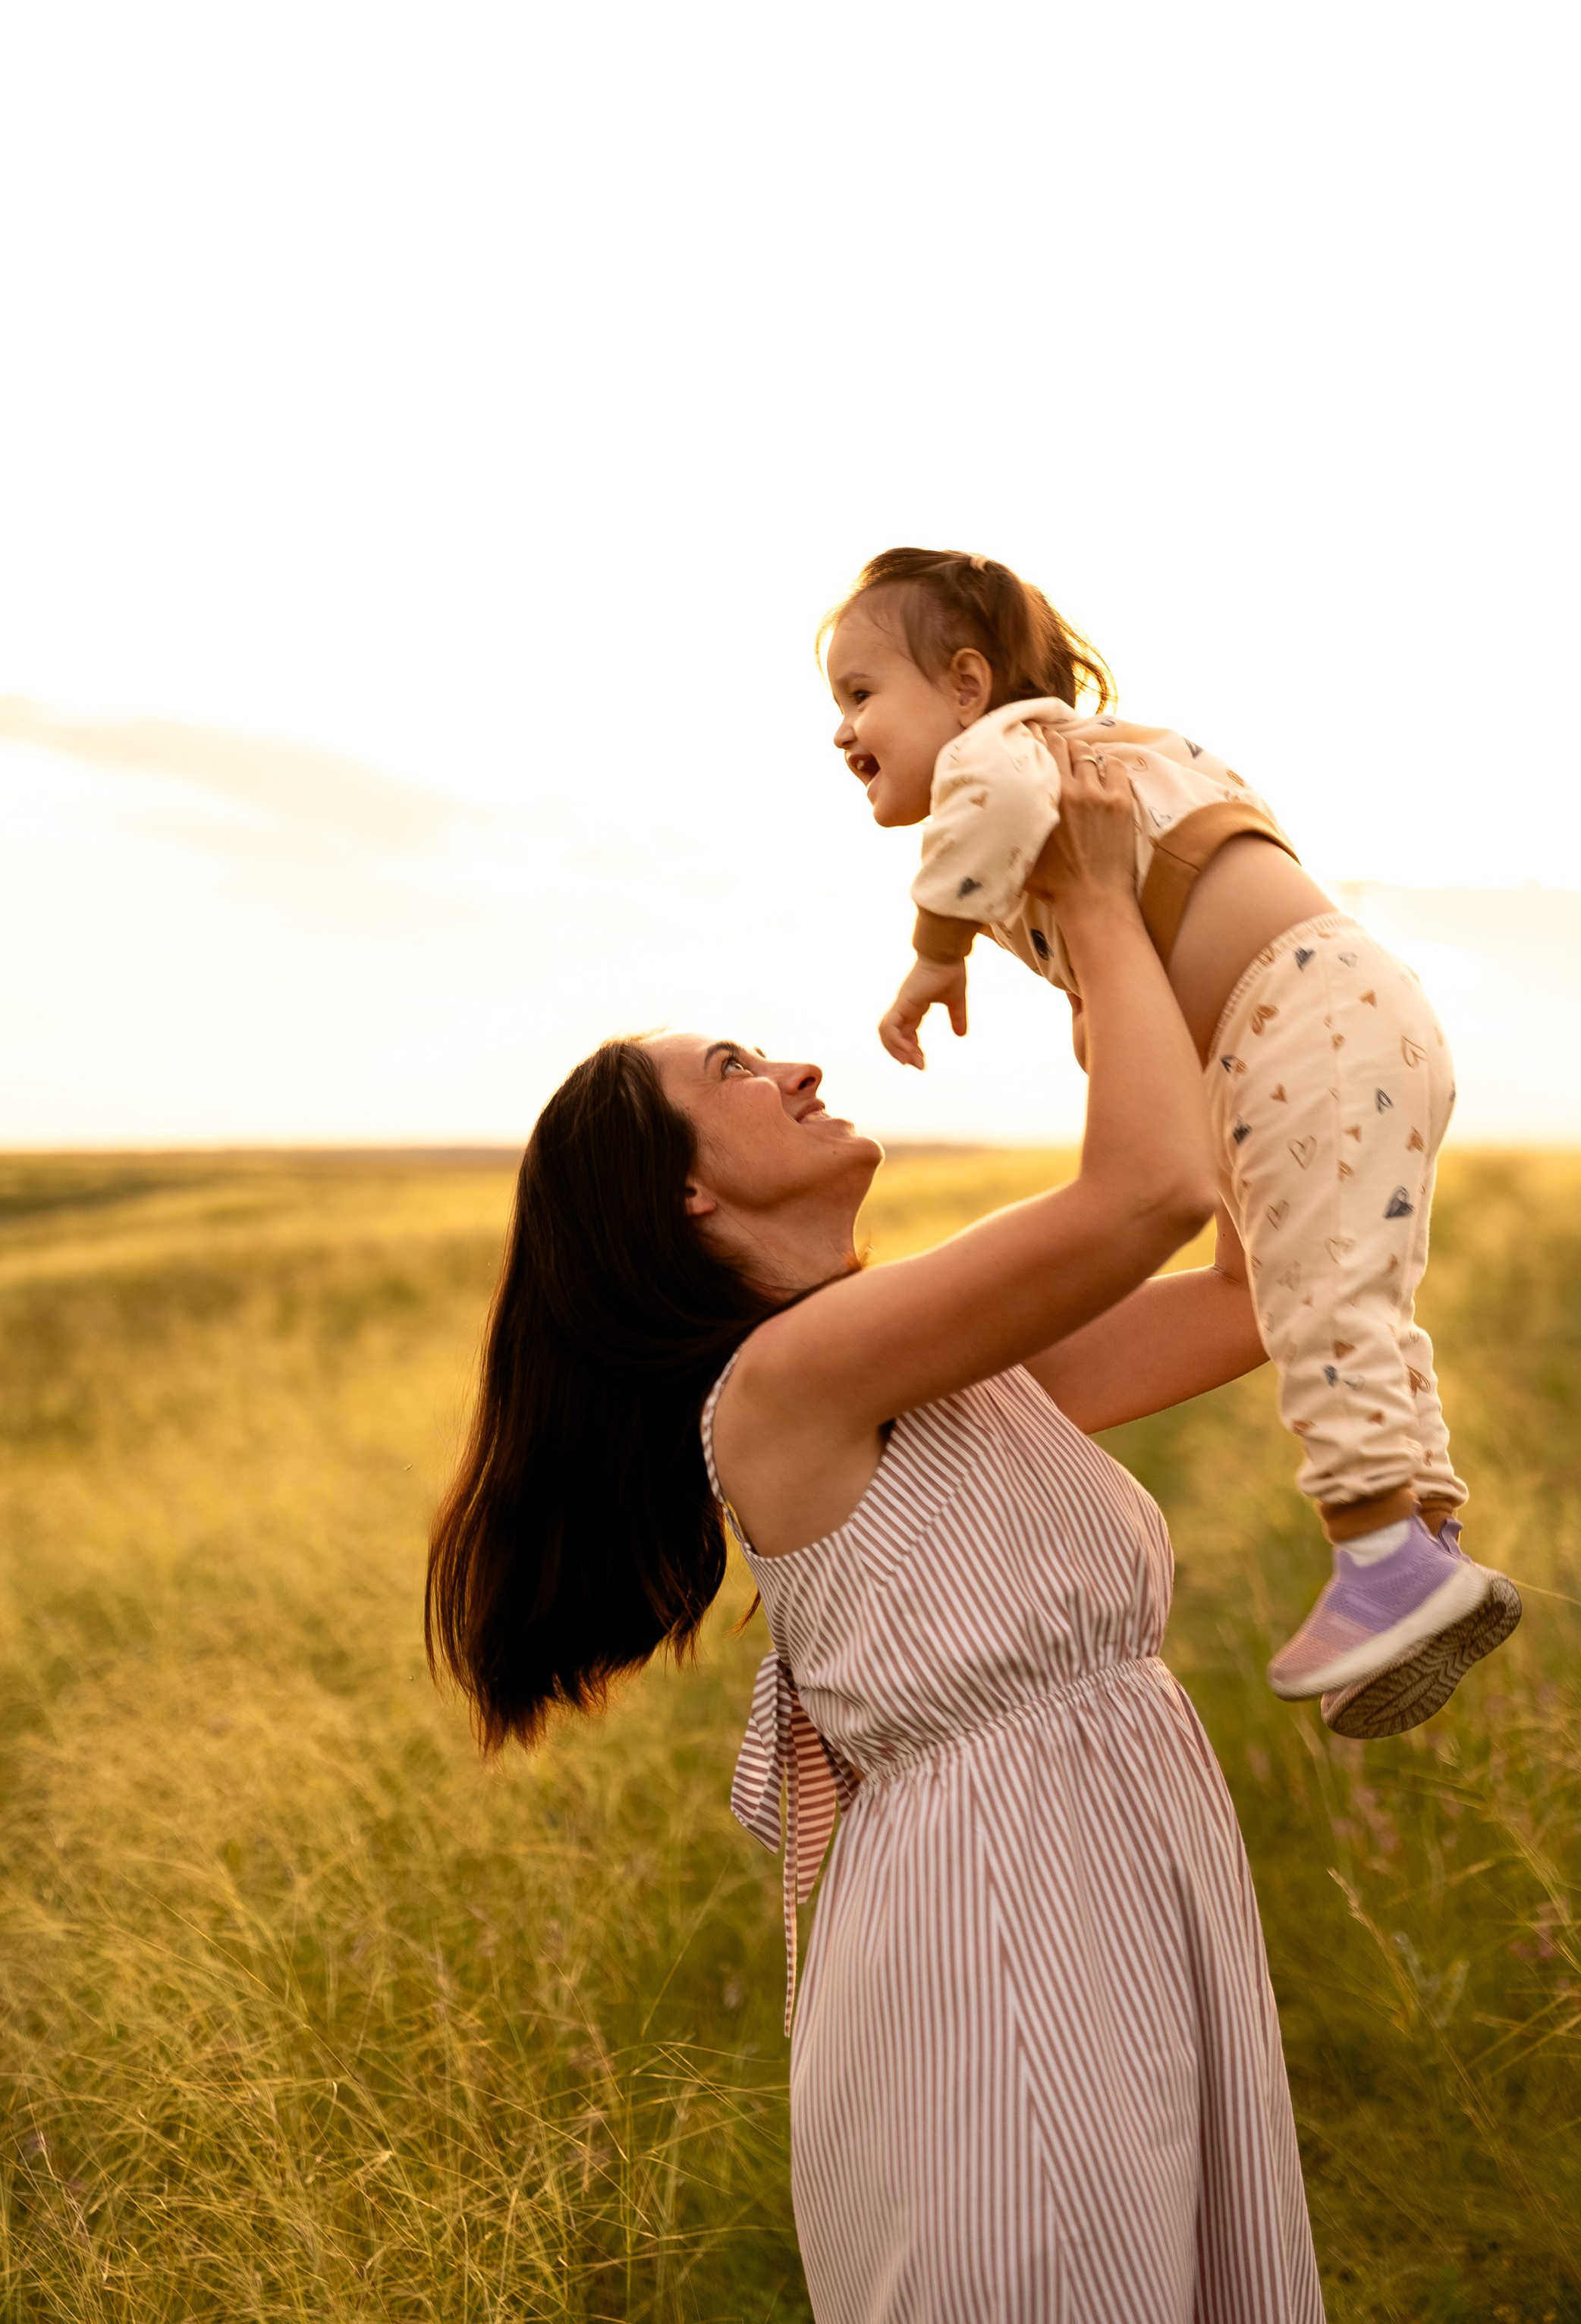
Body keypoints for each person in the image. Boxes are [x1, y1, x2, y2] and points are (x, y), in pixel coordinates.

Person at [426, 740, 1324, 2322]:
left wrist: (1262, 1013)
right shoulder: (787, 1381)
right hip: (998, 1929)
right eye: (732, 1074)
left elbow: (1252, 1296)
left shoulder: (918, 1348)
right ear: (684, 1199)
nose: (792, 1068)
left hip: (1116, 1870)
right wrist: (1101, 913)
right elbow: (1143, 1196)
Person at [821, 544, 1519, 1736]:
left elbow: (996, 820)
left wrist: (936, 950)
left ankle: (1382, 1554)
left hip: (1297, 1020)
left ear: (970, 684)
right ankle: (1426, 1535)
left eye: (860, 693)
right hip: (1313, 1021)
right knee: (1342, 1288)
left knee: (1317, 1301)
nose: (841, 732)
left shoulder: (1008, 761)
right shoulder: (1116, 764)